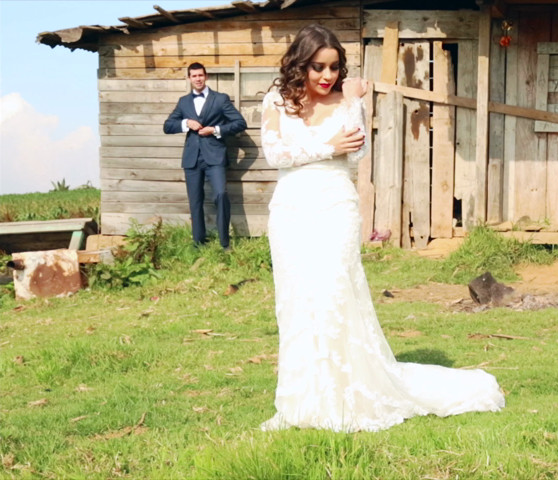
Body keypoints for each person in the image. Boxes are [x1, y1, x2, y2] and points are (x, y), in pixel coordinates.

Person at [259, 24, 505, 433]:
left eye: (334, 67)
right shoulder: (277, 100)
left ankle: (345, 397)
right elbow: (274, 153)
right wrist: (327, 147)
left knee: (334, 296)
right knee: (297, 303)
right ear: (300, 64)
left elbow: (355, 156)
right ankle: (301, 403)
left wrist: (355, 104)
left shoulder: (345, 99)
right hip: (290, 210)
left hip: (335, 206)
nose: (327, 76)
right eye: (318, 67)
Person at [164, 62, 247, 250]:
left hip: (215, 156)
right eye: (194, 76)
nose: (198, 79)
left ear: (206, 76)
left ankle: (225, 243)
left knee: (220, 194)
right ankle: (198, 242)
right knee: (195, 201)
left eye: (200, 75)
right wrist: (186, 123)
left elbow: (240, 123)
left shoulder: (220, 99)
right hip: (192, 158)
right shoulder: (183, 102)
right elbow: (167, 126)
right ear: (189, 78)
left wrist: (216, 129)